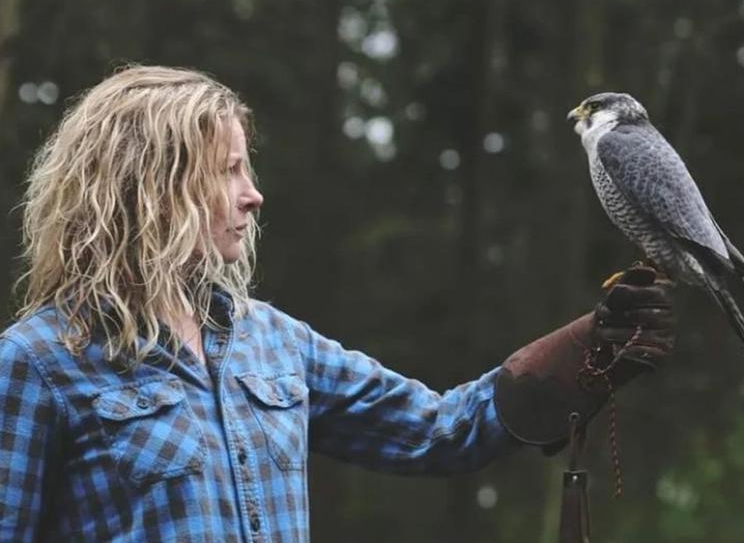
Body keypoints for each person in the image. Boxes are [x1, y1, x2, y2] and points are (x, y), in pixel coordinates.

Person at [0, 65, 675, 542]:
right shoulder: (37, 364)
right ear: (153, 188)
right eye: (229, 170)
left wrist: (582, 353)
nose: (252, 194)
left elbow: (437, 430)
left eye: (248, 168)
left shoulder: (274, 345)